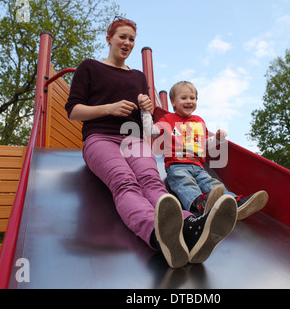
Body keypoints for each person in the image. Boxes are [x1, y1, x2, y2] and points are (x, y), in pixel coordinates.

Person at [65, 17, 237, 268]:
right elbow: (73, 111)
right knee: (125, 182)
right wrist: (109, 108)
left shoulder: (137, 76)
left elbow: (144, 119)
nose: (127, 43)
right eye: (122, 37)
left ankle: (190, 226)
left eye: (131, 39)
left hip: (134, 139)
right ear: (109, 38)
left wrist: (146, 107)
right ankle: (158, 235)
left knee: (152, 182)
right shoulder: (90, 67)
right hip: (100, 138)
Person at [142, 81, 268, 219]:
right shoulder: (169, 119)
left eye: (192, 98)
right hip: (177, 166)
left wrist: (218, 139)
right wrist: (145, 111)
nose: (189, 101)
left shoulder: (199, 121)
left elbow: (204, 143)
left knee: (213, 184)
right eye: (183, 98)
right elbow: (150, 131)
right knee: (184, 183)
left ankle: (233, 202)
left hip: (199, 166)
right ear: (173, 102)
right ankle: (199, 202)